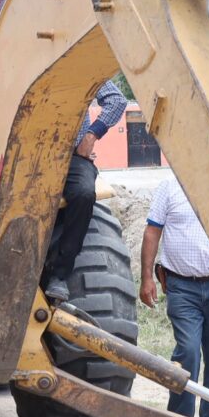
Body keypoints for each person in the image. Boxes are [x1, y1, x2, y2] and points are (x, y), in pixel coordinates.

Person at [139, 176, 209, 417]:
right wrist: (146, 278)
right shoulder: (169, 187)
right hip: (182, 287)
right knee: (188, 352)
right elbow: (152, 232)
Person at [42, 80, 127, 301]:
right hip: (29, 155)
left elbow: (116, 100)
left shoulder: (82, 62)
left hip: (73, 156)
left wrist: (91, 136)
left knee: (83, 193)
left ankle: (59, 274)